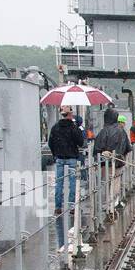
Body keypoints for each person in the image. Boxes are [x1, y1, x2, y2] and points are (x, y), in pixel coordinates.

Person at [49, 106, 86, 248]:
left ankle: (58, 206)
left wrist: (55, 154)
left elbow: (50, 143)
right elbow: (80, 142)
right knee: (72, 184)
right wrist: (76, 128)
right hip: (71, 158)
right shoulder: (73, 127)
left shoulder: (55, 127)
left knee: (58, 184)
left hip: (59, 159)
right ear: (70, 114)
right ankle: (71, 206)